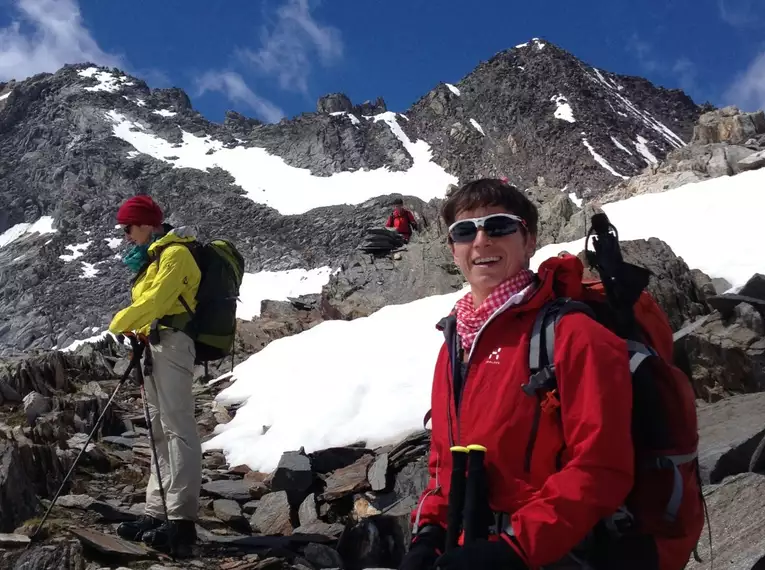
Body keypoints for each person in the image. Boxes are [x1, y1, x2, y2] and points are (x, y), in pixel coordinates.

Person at [399, 178, 640, 570]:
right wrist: (428, 534)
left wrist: (516, 549)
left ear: (529, 240)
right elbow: (444, 465)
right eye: (464, 231)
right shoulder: (454, 344)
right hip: (469, 549)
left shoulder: (574, 334)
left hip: (557, 554)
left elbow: (602, 466)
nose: (480, 241)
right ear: (452, 249)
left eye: (499, 226)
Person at [108, 195, 202, 553]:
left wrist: (118, 323)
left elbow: (157, 302)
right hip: (154, 345)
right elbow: (149, 307)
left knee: (178, 428)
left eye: (128, 228)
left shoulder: (175, 255)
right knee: (160, 430)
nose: (126, 235)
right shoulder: (154, 259)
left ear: (147, 224)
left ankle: (181, 521)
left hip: (174, 345)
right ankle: (156, 511)